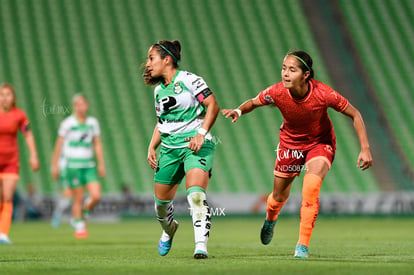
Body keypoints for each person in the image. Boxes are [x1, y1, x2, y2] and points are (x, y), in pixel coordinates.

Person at [222, 50, 373, 258]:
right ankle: (270, 219)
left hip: (319, 144)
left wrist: (365, 148)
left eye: (292, 70)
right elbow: (254, 102)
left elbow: (355, 114)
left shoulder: (324, 93)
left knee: (310, 189)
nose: (285, 74)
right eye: (284, 68)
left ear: (306, 75)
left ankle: (302, 246)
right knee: (278, 196)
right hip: (289, 146)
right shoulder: (276, 92)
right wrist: (238, 111)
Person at [144, 40, 220, 259]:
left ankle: (201, 247)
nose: (148, 64)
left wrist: (201, 134)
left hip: (196, 146)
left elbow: (212, 105)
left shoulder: (190, 80)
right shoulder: (159, 90)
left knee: (196, 195)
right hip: (169, 150)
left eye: (151, 59)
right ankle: (170, 230)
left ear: (166, 59)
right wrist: (152, 146)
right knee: (160, 207)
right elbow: (162, 122)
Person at [51, 94, 106, 238]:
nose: (81, 107)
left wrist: (101, 163)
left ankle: (83, 213)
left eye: (83, 104)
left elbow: (97, 143)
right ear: (74, 107)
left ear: (87, 106)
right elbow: (59, 144)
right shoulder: (67, 123)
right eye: (78, 105)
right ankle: (80, 227)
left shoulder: (93, 123)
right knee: (78, 198)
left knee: (96, 195)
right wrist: (55, 165)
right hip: (73, 165)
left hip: (89, 165)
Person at [0, 83, 40, 244]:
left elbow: (28, 135)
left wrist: (34, 155)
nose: (5, 97)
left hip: (10, 162)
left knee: (7, 197)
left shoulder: (19, 115)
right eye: (2, 94)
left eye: (8, 94)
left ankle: (2, 233)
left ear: (13, 98)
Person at [50, 155, 72, 228]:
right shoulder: (61, 160)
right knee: (67, 200)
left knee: (69, 201)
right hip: (64, 180)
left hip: (70, 179)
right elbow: (55, 174)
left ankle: (75, 219)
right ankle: (57, 217)